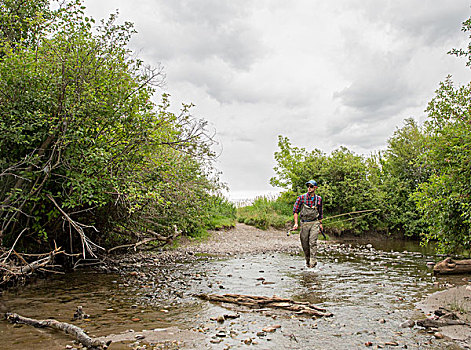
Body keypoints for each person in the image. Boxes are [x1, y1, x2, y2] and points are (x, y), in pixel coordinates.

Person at [292, 180, 323, 268]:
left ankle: (313, 262)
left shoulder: (319, 199)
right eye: (308, 186)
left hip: (315, 223)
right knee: (305, 244)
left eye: (311, 186)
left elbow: (320, 212)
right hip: (304, 223)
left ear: (315, 188)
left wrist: (320, 224)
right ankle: (308, 261)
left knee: (312, 242)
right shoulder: (301, 198)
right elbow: (295, 211)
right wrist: (296, 223)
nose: (309, 188)